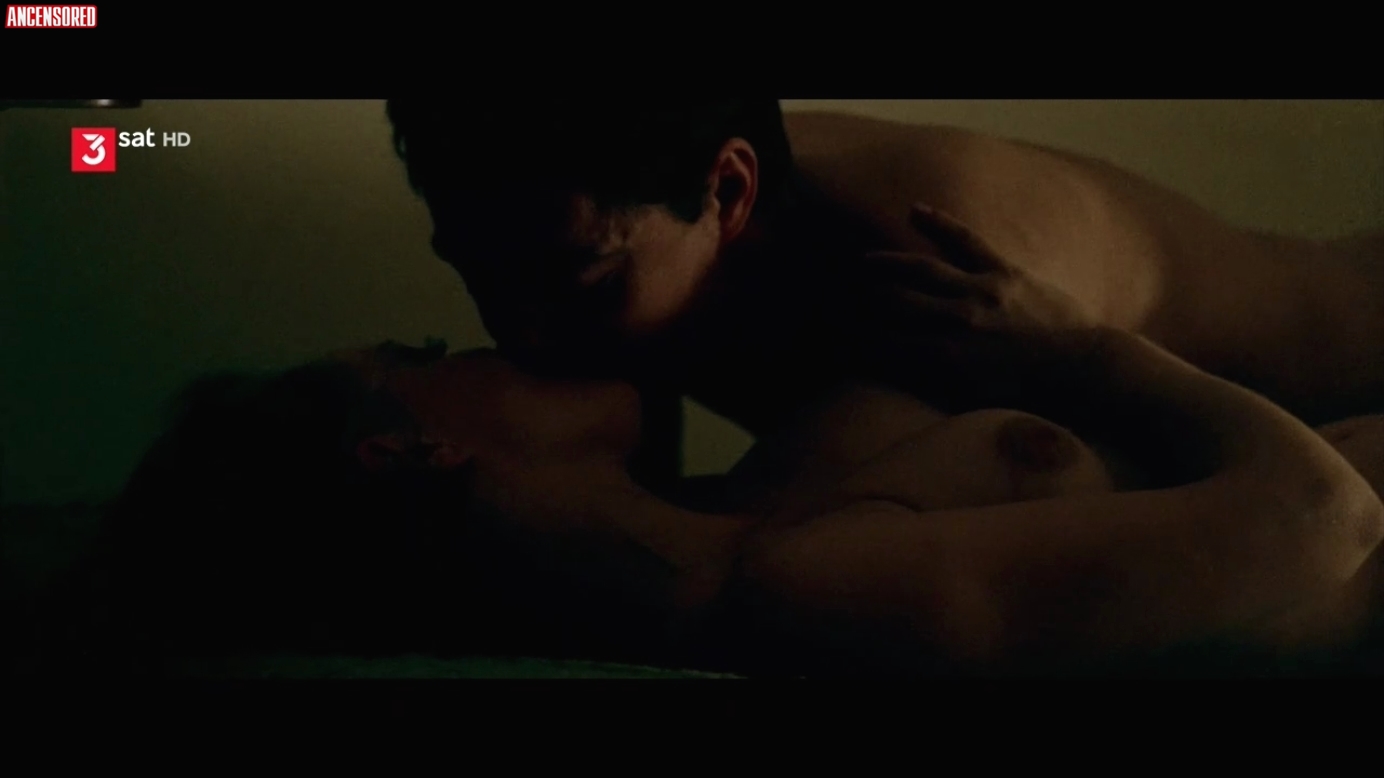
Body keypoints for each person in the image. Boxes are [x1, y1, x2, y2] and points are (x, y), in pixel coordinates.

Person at [44, 244, 1384, 677]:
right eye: (431, 347)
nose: (493, 335)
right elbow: (1323, 518)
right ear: (412, 445)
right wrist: (1078, 351)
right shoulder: (794, 585)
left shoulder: (758, 494)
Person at [382, 99, 1384, 475]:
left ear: (728, 192)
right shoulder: (639, 215)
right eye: (473, 271)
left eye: (582, 279)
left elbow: (758, 551)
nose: (521, 330)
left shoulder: (926, 259)